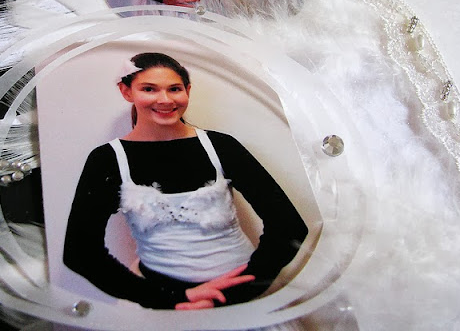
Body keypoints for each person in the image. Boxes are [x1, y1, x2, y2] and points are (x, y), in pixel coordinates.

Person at [63, 52, 308, 310]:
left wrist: (243, 287)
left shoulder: (222, 146)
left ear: (187, 91)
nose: (165, 99)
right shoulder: (107, 160)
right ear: (126, 91)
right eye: (149, 89)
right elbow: (80, 252)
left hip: (242, 297)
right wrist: (174, 298)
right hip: (164, 302)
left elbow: (289, 227)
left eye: (174, 89)